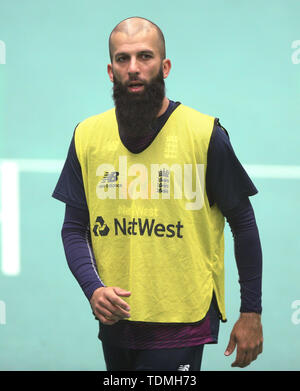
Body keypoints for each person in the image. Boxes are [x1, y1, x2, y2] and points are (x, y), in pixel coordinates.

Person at [52, 16, 263, 371]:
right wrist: (93, 289)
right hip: (118, 322)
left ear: (165, 66)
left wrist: (251, 311)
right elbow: (74, 228)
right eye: (123, 59)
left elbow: (243, 223)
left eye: (145, 57)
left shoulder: (204, 134)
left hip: (183, 320)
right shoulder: (87, 136)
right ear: (110, 70)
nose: (134, 68)